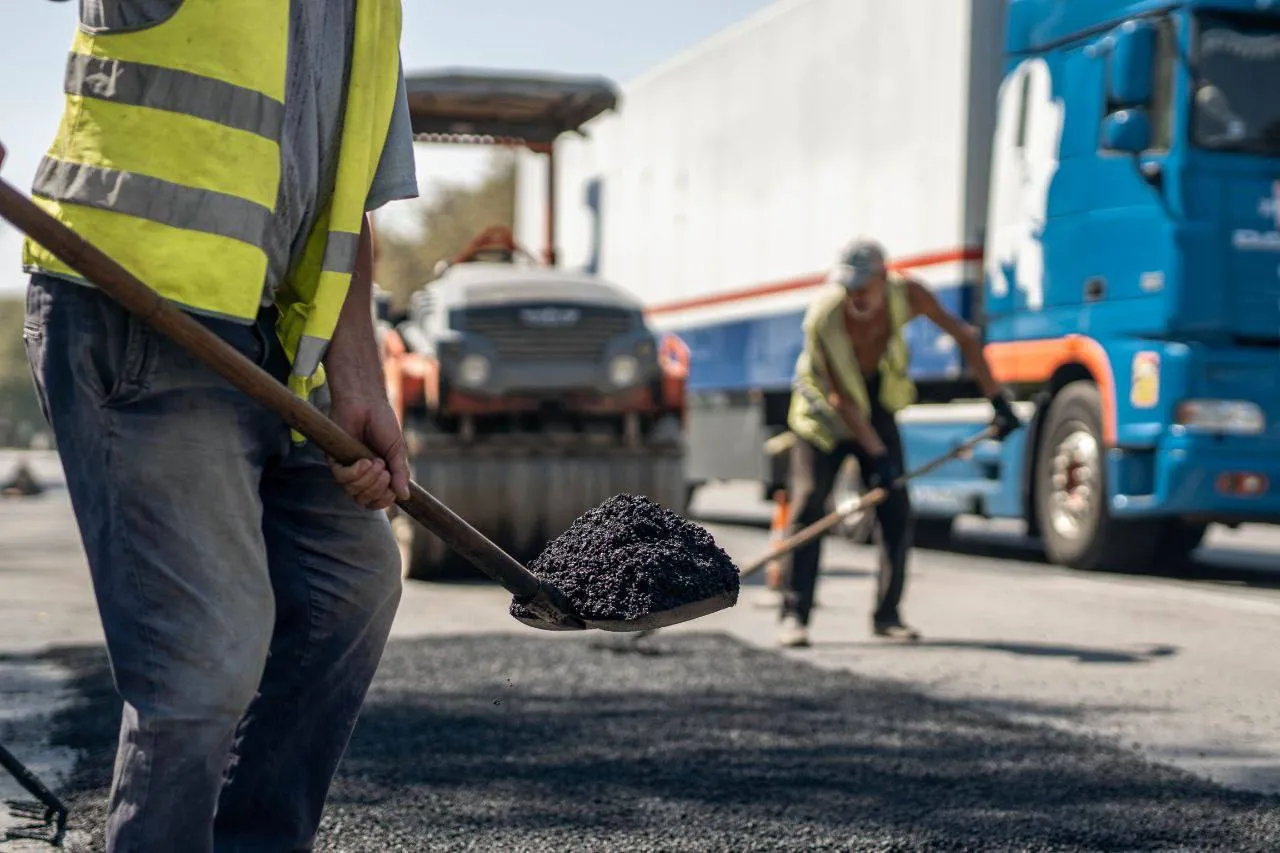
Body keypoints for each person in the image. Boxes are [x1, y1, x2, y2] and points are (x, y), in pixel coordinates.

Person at [21, 2, 418, 850]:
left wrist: (359, 376)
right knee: (203, 665)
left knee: (349, 585)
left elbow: (347, 204)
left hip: (275, 343)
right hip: (135, 311)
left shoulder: (372, 10)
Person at [778, 239, 1021, 648]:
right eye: (848, 287)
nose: (855, 297)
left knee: (896, 509)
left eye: (862, 288)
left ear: (883, 277)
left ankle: (887, 616)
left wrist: (997, 399)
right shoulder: (823, 316)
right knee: (808, 503)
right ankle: (793, 615)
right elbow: (841, 400)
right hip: (823, 415)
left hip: (874, 404)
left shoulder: (909, 295)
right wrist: (878, 457)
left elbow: (964, 337)